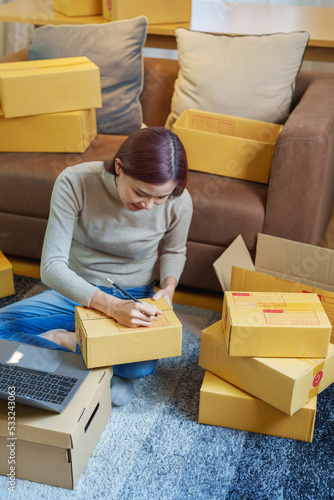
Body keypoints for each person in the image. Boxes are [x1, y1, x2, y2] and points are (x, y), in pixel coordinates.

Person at [0, 127, 193, 406]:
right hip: (76, 291)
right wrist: (111, 308)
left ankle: (73, 354)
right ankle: (72, 344)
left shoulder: (178, 201)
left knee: (141, 367)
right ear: (119, 167)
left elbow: (175, 250)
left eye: (160, 197)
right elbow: (52, 267)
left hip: (135, 294)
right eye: (141, 192)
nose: (150, 205)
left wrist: (168, 288)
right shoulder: (75, 181)